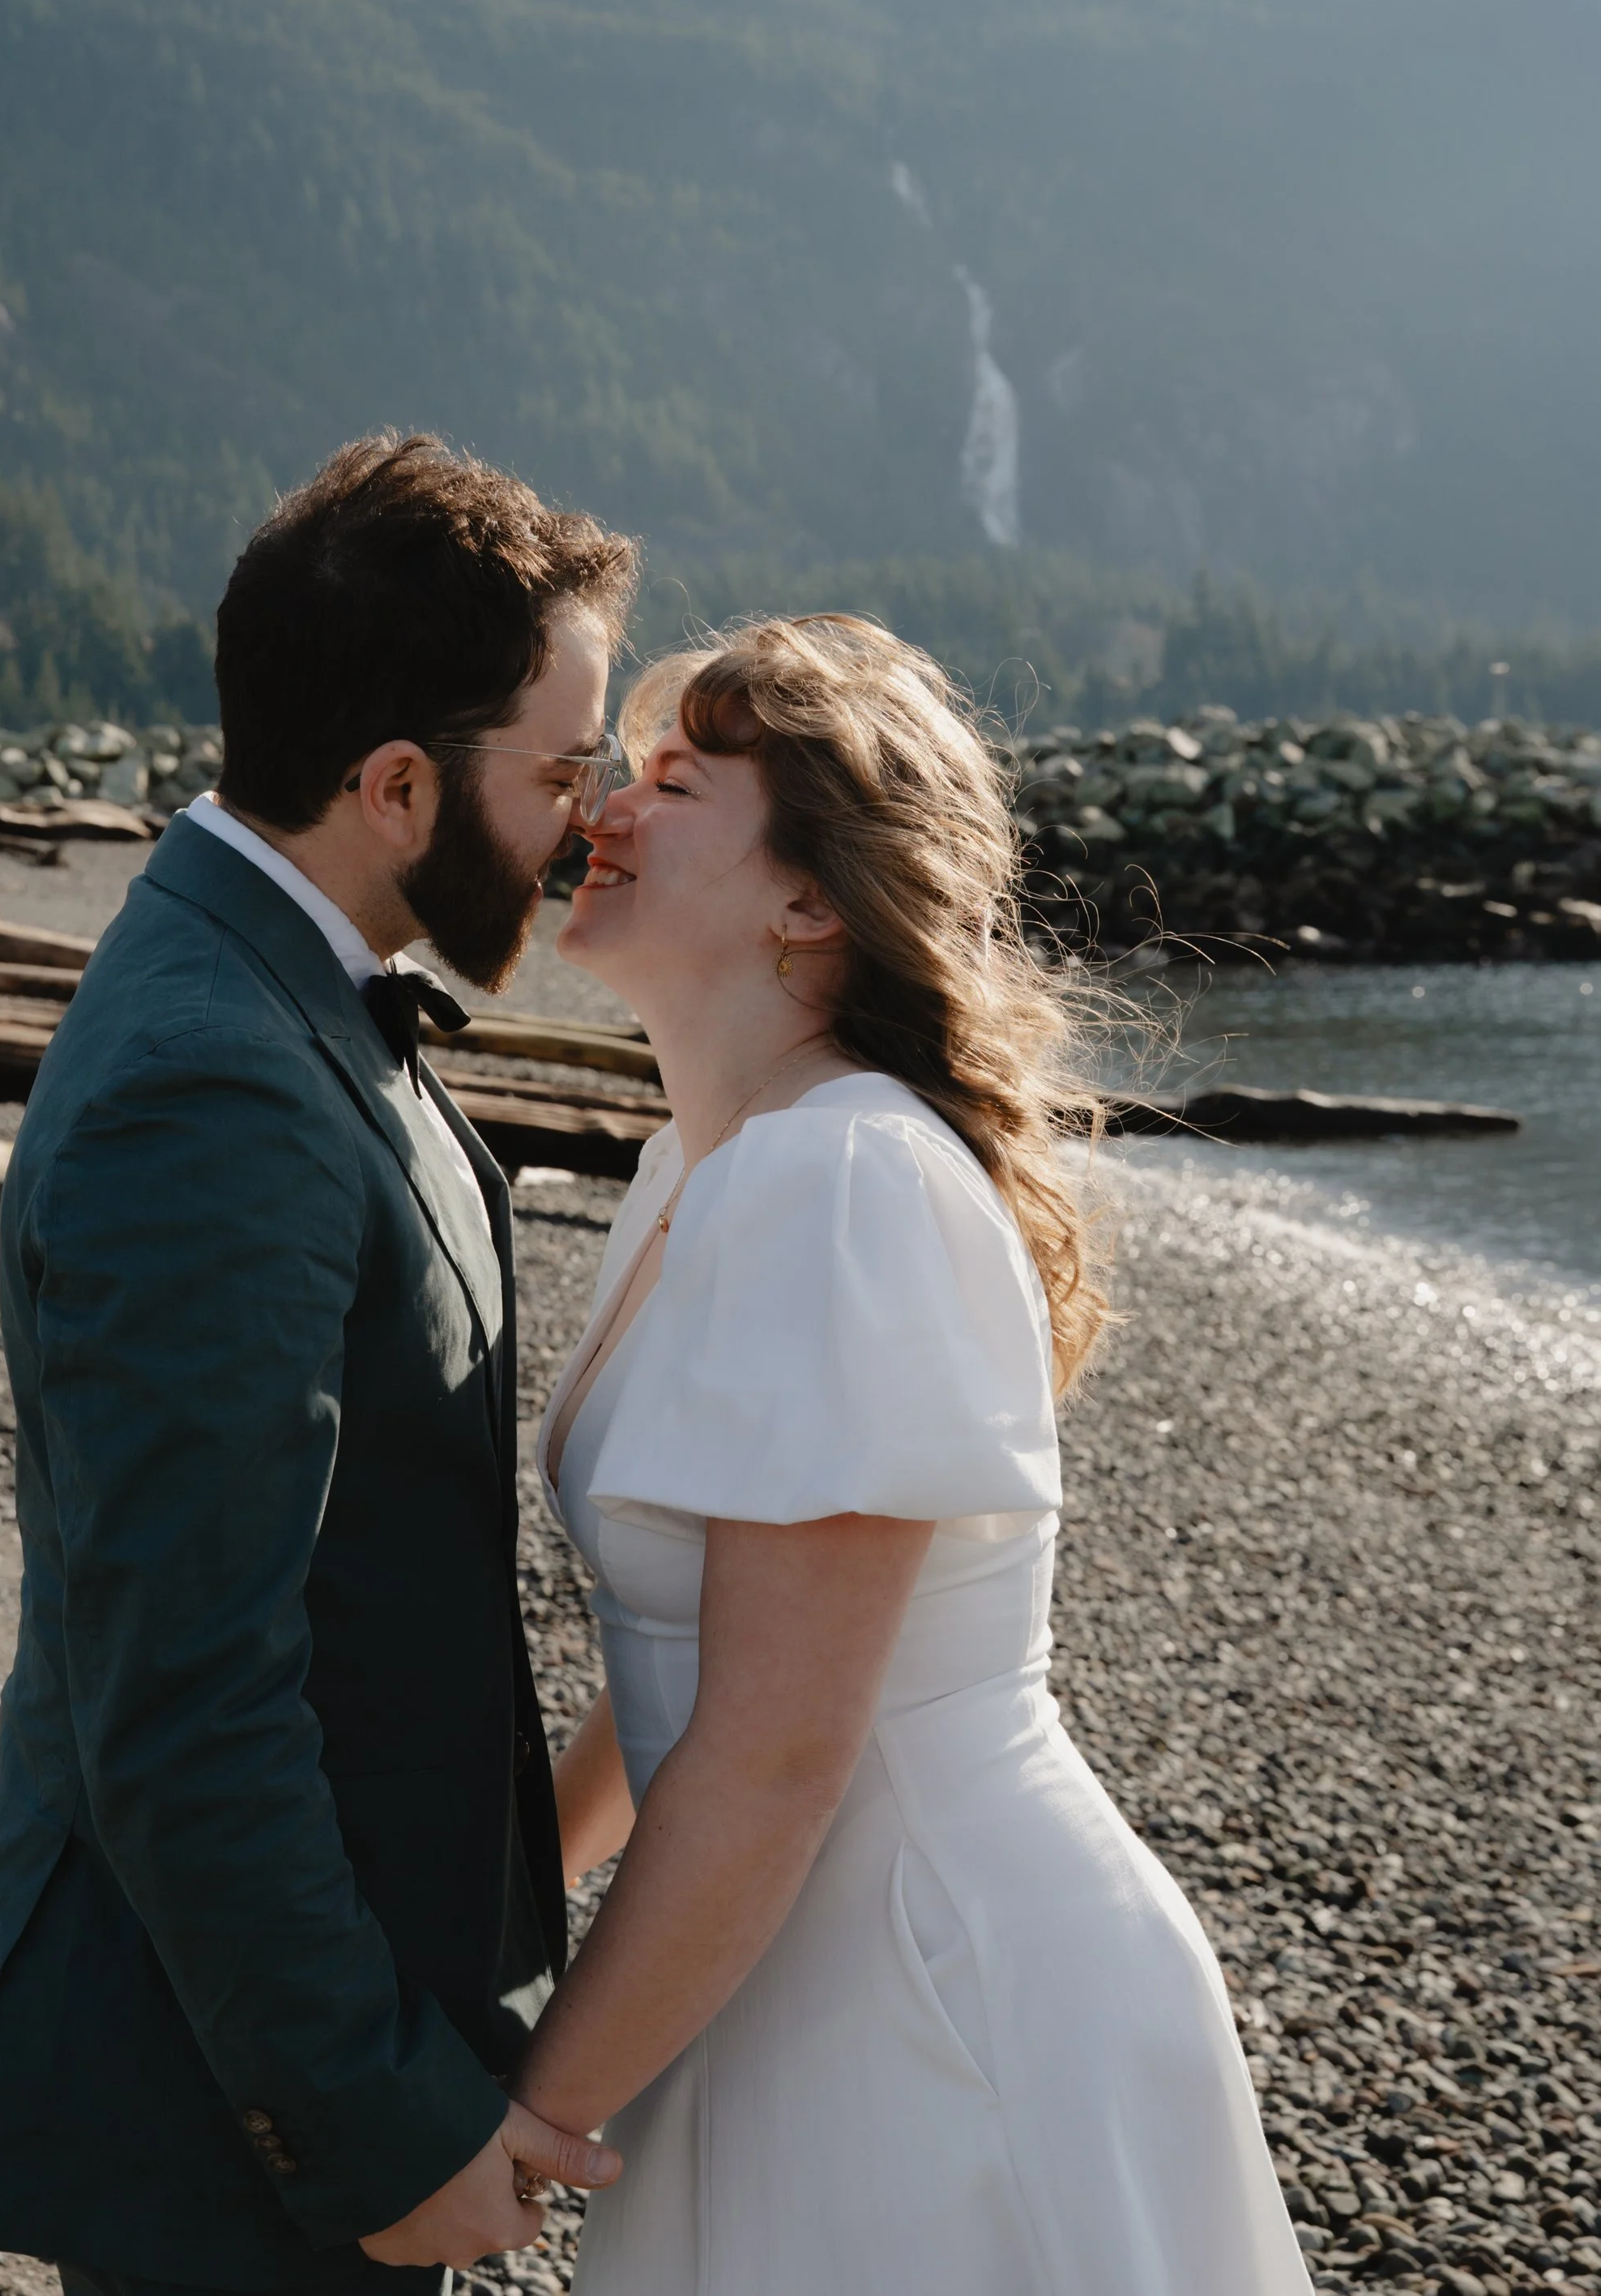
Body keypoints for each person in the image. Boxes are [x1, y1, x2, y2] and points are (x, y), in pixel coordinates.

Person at [514, 615, 1310, 2294]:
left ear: (809, 899)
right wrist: (510, 1878)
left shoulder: (844, 1180)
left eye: (670, 780)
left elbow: (778, 1754)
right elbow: (696, 1650)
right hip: (771, 1949)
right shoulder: (698, 1169)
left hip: (922, 1984)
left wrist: (532, 2117)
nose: (602, 805)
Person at [0, 433, 637, 2296]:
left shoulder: (281, 987)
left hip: (297, 2025)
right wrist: (372, 2129)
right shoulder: (214, 1081)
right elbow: (182, 1693)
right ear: (396, 782)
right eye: (565, 766)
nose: (596, 814)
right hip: (226, 2118)